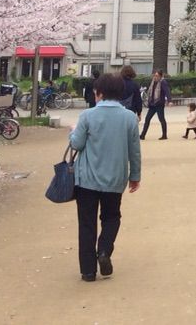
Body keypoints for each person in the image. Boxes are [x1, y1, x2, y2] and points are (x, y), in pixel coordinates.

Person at [68, 72, 141, 282]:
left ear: (99, 93)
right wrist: (134, 176)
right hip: (115, 178)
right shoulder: (129, 118)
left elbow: (77, 144)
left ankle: (88, 271)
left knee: (87, 223)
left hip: (87, 180)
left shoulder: (87, 116)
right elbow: (134, 150)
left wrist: (72, 132)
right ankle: (104, 251)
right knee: (111, 217)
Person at [139, 70, 171, 140]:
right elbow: (150, 91)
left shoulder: (163, 82)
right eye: (155, 75)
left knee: (161, 119)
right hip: (152, 104)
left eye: (157, 76)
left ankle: (164, 135)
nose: (155, 77)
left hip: (159, 103)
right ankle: (142, 135)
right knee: (147, 119)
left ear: (160, 76)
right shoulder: (153, 82)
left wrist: (169, 101)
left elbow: (167, 91)